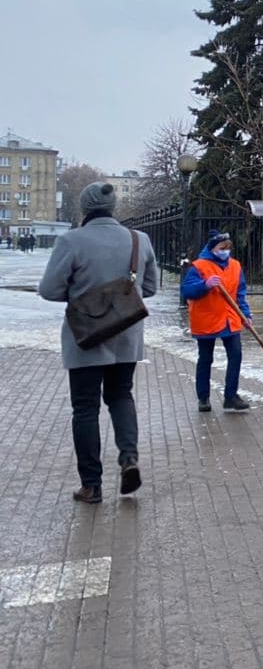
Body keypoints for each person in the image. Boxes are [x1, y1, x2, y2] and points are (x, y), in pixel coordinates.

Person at [38, 182, 159, 503]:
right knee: (121, 396)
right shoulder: (139, 239)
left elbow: (49, 290)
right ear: (112, 206)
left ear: (85, 208)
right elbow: (150, 288)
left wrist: (84, 295)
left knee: (85, 408)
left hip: (86, 337)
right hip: (126, 335)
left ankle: (91, 485)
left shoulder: (71, 241)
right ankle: (129, 457)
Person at [181, 229, 252, 414]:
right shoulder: (198, 267)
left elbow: (240, 293)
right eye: (222, 248)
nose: (225, 251)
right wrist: (204, 285)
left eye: (228, 248)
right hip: (207, 320)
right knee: (205, 358)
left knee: (236, 355)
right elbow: (186, 291)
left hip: (230, 318)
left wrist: (246, 314)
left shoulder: (235, 266)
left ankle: (231, 397)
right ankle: (203, 398)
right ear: (212, 248)